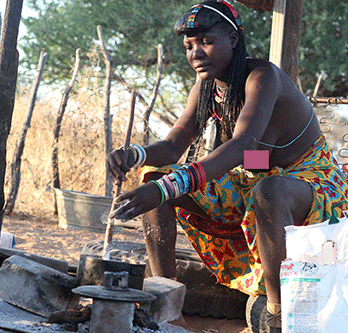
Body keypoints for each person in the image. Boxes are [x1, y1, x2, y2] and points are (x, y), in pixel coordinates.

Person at [107, 1, 348, 332]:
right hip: (258, 170)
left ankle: (277, 315)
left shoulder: (262, 77)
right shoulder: (206, 87)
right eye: (189, 45)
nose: (196, 52)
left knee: (268, 189)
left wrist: (167, 188)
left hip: (311, 178)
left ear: (234, 39)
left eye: (206, 40)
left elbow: (243, 144)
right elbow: (173, 147)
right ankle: (167, 307)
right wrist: (133, 155)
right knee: (153, 176)